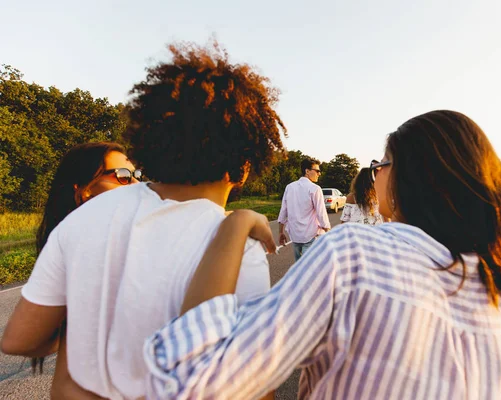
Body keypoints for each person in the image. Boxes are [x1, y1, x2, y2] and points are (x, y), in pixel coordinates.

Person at [143, 110, 501, 399]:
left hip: (308, 241)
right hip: (314, 235)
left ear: (408, 177)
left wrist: (233, 225)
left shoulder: (353, 256)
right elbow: (315, 211)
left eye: (383, 163)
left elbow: (196, 382)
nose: (377, 173)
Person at [1, 42, 285, 400]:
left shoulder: (85, 216)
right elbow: (253, 389)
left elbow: (20, 339)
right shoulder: (237, 243)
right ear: (244, 165)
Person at [25, 141, 139, 399]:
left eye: (137, 176)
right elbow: (36, 341)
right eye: (122, 177)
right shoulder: (77, 250)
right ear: (85, 190)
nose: (135, 185)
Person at [278, 158, 331, 260]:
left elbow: (283, 211)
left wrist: (280, 232)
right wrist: (328, 231)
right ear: (307, 171)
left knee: (299, 266)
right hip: (310, 235)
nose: (319, 174)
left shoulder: (289, 187)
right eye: (317, 171)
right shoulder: (315, 188)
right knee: (310, 268)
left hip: (295, 236)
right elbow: (321, 213)